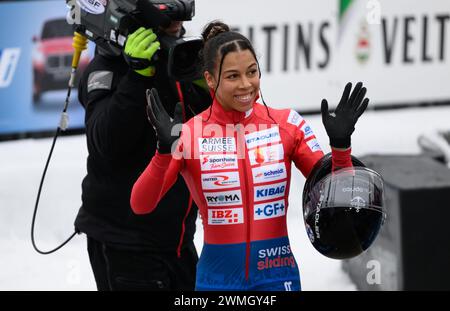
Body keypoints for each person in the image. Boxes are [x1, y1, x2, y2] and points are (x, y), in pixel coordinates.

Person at [130, 21, 369, 291]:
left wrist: (340, 148)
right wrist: (163, 152)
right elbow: (141, 204)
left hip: (279, 280)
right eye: (232, 76)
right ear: (210, 79)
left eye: (252, 72)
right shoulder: (189, 133)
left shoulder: (288, 125)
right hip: (216, 284)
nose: (246, 85)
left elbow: (337, 201)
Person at [74, 20, 211, 291]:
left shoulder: (180, 56)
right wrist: (137, 76)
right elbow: (106, 143)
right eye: (168, 15)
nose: (178, 22)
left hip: (178, 239)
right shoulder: (108, 65)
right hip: (125, 242)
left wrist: (209, 82)